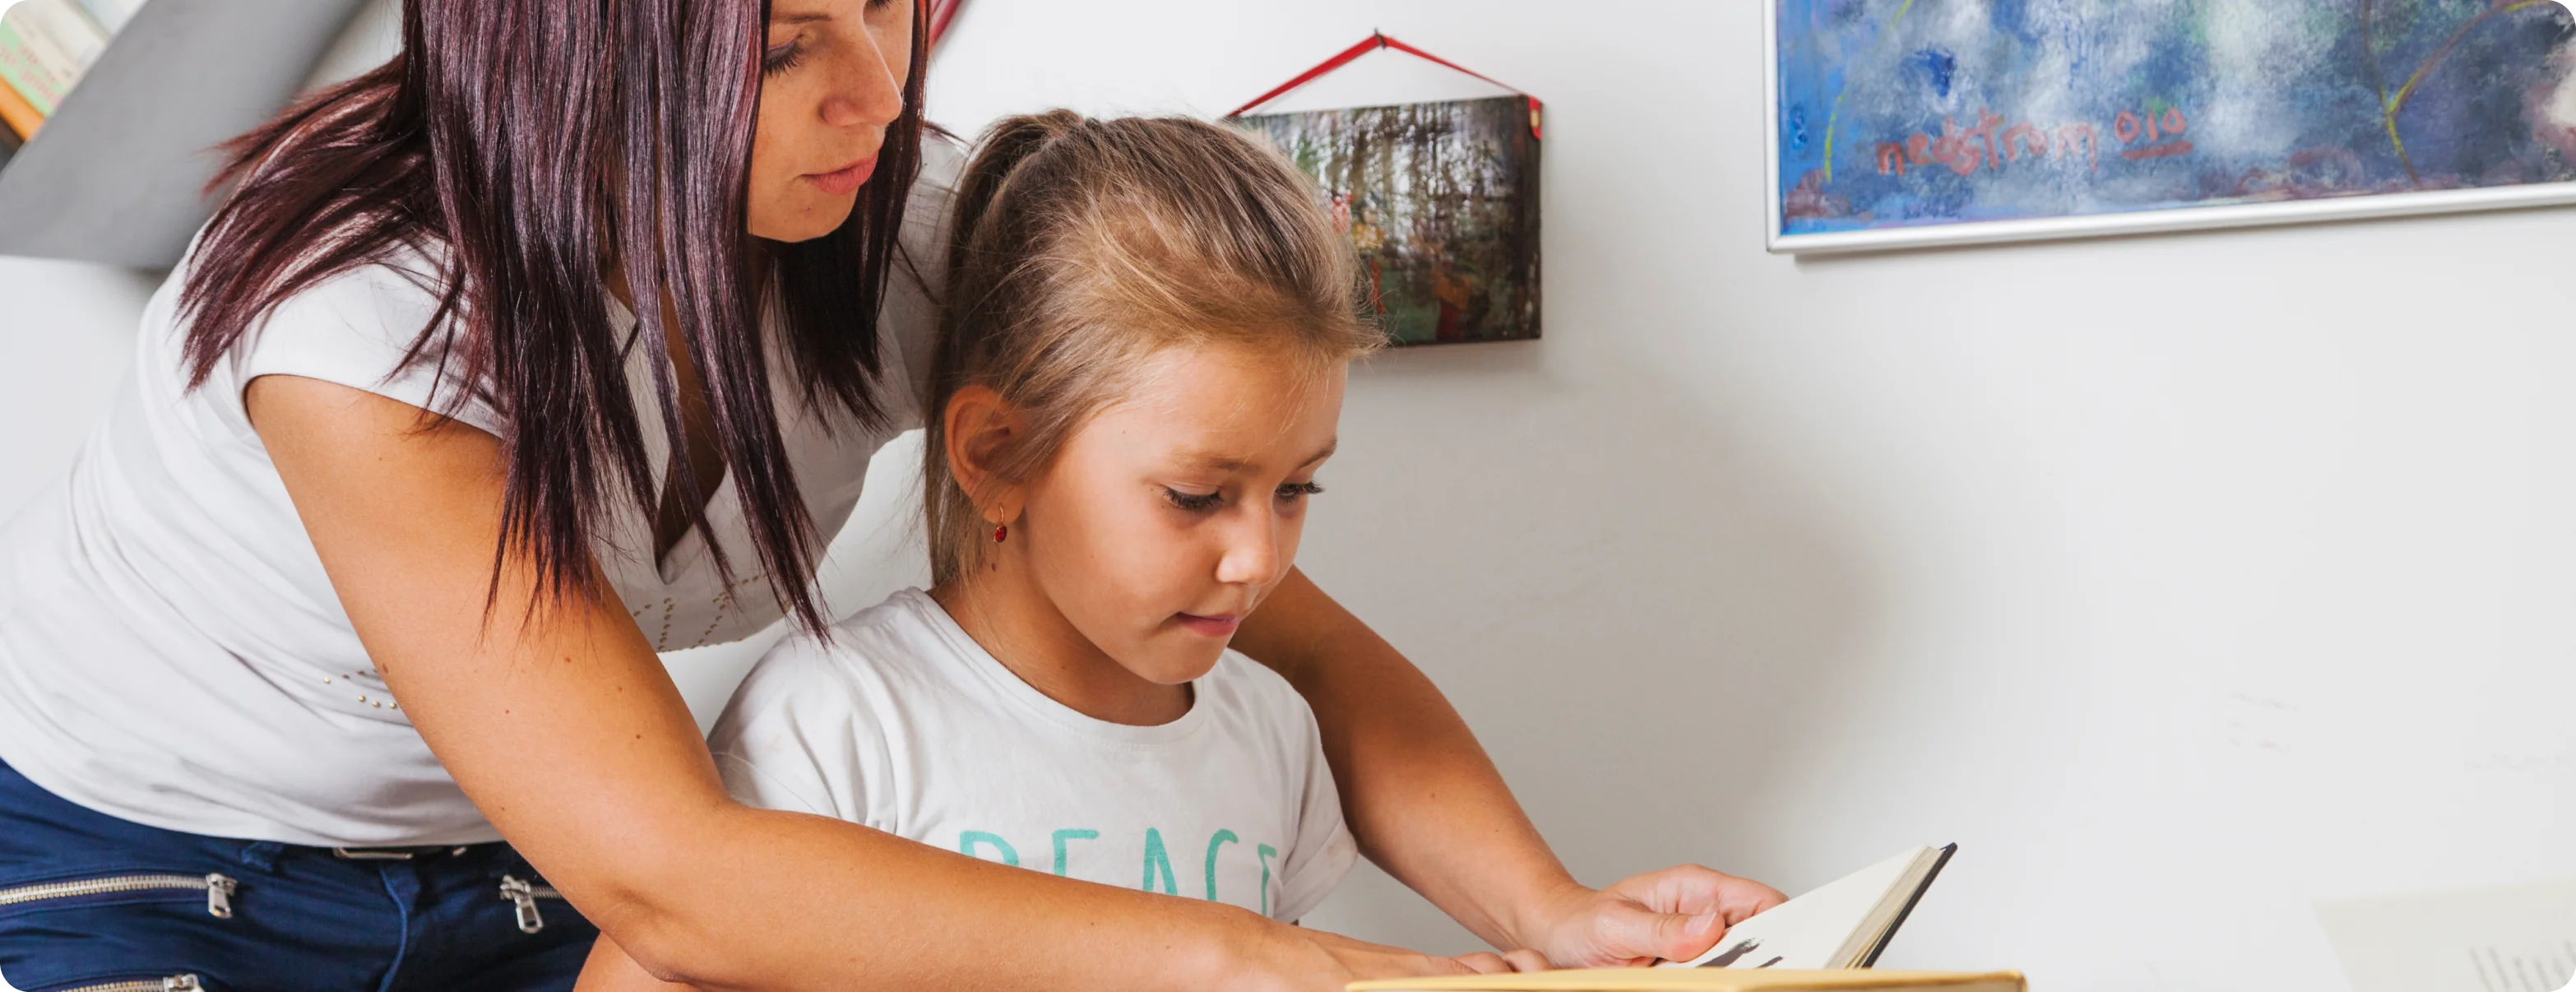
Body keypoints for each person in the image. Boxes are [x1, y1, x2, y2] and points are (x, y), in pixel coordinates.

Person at [0, 2, 1782, 989]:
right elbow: (677, 874)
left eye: (890, 7)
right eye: (785, 46)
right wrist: (1276, 973)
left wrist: (1550, 916)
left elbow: (1284, 638)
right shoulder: (369, 323)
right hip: (147, 878)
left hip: (514, 886)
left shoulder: (900, 217)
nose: (873, 97)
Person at [579, 106, 1408, 988]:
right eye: (1197, 496)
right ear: (995, 454)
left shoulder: (1271, 732)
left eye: (1295, 490)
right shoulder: (839, 725)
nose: (1258, 560)